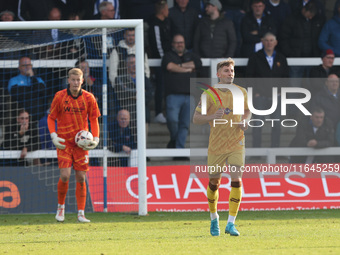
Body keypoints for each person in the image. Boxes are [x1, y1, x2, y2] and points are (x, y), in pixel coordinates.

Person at [192, 58, 251, 236]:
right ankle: (214, 218)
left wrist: (245, 121)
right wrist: (211, 116)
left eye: (232, 71)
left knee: (237, 179)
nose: (230, 73)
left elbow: (247, 111)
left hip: (236, 142)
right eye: (226, 71)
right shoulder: (209, 94)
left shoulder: (241, 92)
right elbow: (196, 119)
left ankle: (231, 223)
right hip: (216, 145)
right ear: (218, 74)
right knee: (214, 183)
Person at [48, 68, 101, 223]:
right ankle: (60, 208)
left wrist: (96, 139)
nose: (76, 83)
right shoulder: (60, 96)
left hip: (81, 144)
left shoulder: (89, 98)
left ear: (82, 81)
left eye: (79, 80)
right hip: (64, 142)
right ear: (68, 80)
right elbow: (51, 118)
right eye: (73, 80)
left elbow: (94, 120)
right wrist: (54, 136)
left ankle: (81, 213)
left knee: (81, 177)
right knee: (65, 176)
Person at [246, 32, 289, 148]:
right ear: (262, 42)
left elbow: (286, 77)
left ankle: (275, 150)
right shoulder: (255, 57)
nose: (269, 43)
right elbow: (249, 77)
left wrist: (281, 92)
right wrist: (255, 93)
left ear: (276, 43)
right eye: (267, 40)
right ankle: (256, 152)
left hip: (276, 97)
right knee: (257, 124)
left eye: (271, 40)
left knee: (277, 124)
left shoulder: (281, 58)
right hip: (260, 97)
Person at [162, 34, 202, 152]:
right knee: (172, 120)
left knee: (184, 124)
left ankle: (179, 150)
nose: (180, 45)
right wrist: (187, 68)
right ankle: (175, 140)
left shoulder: (192, 55)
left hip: (190, 96)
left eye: (182, 42)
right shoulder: (168, 55)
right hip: (173, 95)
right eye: (177, 42)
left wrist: (178, 67)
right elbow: (169, 66)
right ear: (173, 44)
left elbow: (198, 64)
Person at [148, 0, 171, 124]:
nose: (169, 11)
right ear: (162, 10)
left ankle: (165, 112)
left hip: (167, 63)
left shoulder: (166, 23)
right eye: (167, 8)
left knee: (167, 88)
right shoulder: (155, 25)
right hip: (160, 63)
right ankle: (158, 112)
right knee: (160, 88)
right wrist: (165, 61)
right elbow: (158, 46)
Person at [8, 56, 47, 122]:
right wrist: (34, 91)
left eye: (29, 65)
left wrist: (32, 77)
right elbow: (18, 95)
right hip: (21, 119)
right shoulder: (14, 80)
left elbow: (43, 92)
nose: (28, 67)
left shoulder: (38, 80)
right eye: (24, 65)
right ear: (19, 67)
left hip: (38, 117)